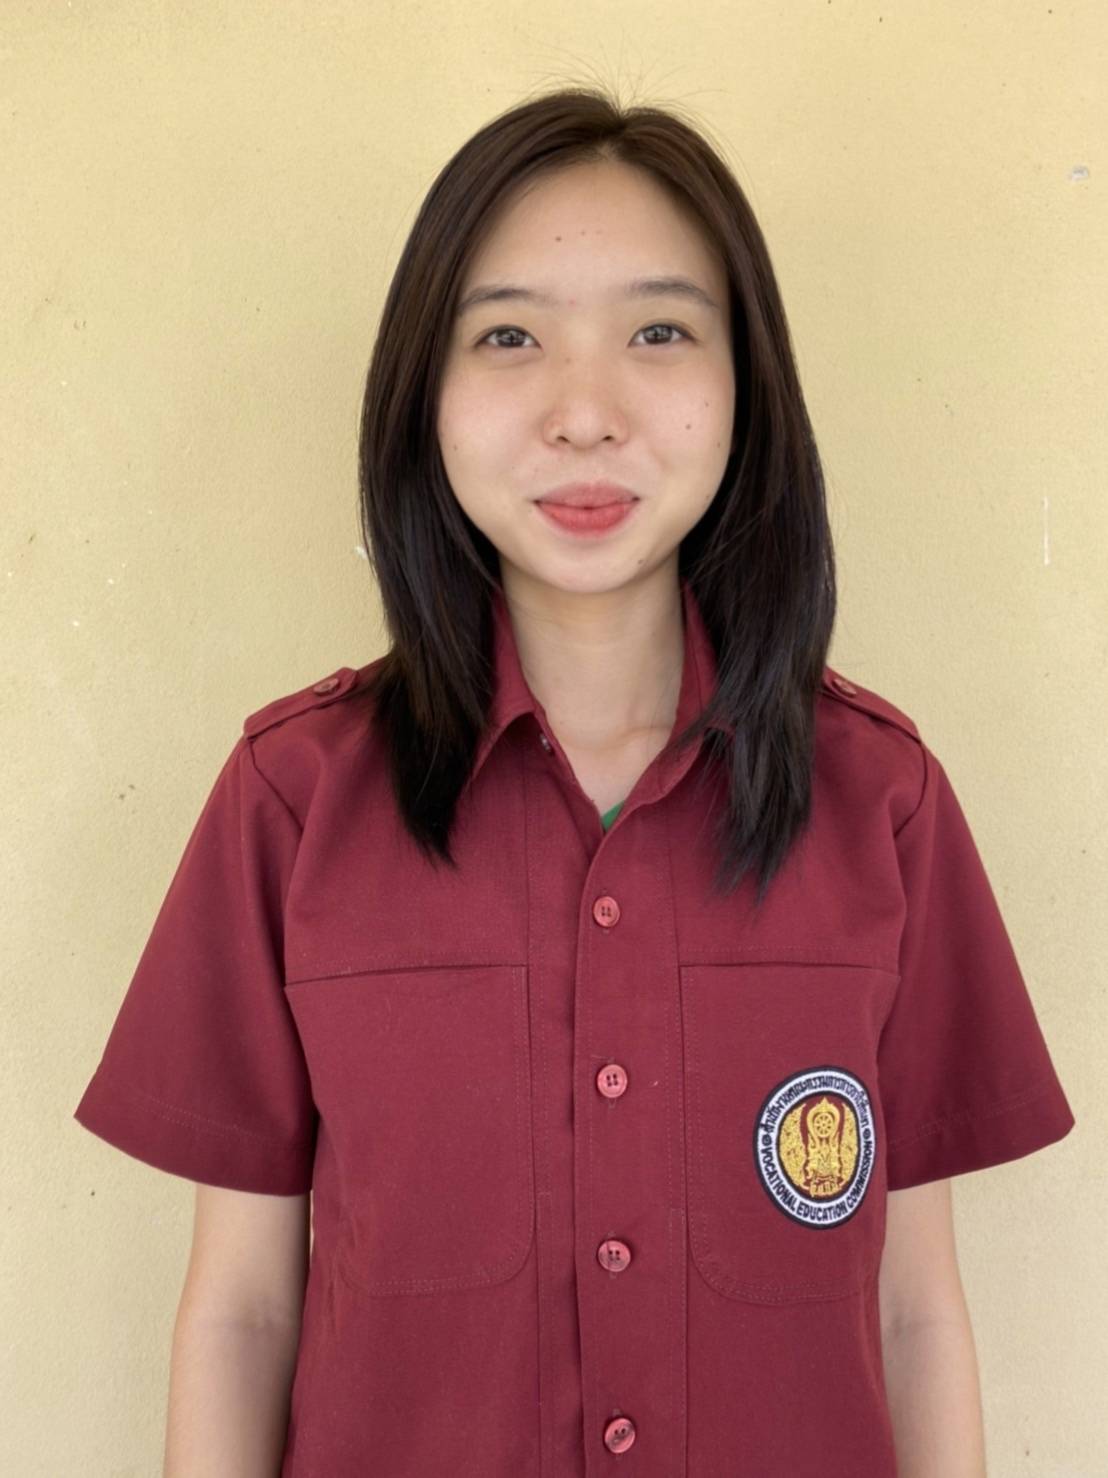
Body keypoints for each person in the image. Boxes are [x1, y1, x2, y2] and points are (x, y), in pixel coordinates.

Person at [73, 84, 1075, 1478]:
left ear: (748, 386)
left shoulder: (882, 802)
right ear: (424, 393)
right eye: (509, 336)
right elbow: (242, 1310)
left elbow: (913, 1308)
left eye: (659, 332)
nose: (586, 413)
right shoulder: (293, 801)